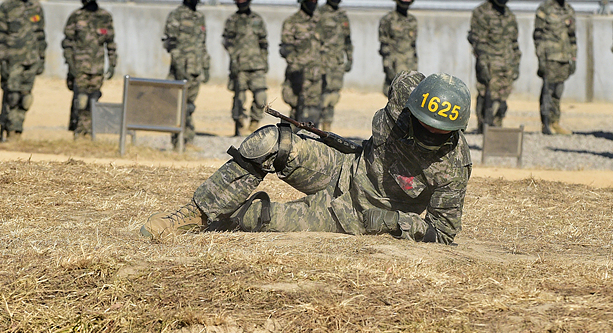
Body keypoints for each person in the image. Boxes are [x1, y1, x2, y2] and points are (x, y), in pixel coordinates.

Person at [140, 71, 472, 245]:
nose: (431, 132)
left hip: (351, 218)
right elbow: (410, 76)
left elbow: (442, 234)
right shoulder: (406, 96)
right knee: (271, 141)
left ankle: (233, 215)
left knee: (256, 219)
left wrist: (396, 223)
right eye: (424, 123)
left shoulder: (454, 168)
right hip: (342, 167)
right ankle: (189, 217)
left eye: (441, 130)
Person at [0, 0, 47, 141]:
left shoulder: (36, 7)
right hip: (12, 60)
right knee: (13, 95)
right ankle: (9, 129)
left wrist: (41, 59)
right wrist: (2, 60)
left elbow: (40, 35)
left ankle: (18, 130)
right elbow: (0, 36)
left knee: (25, 97)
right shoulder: (6, 7)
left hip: (31, 59)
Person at [61, 0, 117, 138]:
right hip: (80, 67)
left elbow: (111, 42)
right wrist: (70, 64)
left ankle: (90, 130)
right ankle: (79, 131)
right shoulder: (76, 17)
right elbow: (67, 43)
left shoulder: (105, 17)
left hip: (97, 67)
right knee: (81, 99)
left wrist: (112, 63)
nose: (82, 0)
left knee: (94, 98)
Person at [164, 0, 210, 146]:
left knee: (190, 105)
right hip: (180, 69)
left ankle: (187, 139)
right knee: (178, 105)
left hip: (195, 69)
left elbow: (203, 44)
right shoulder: (176, 15)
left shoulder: (200, 17)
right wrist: (179, 67)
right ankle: (179, 140)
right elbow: (170, 44)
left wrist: (206, 65)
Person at [468, 0, 520, 129]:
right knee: (486, 96)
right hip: (489, 63)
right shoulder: (481, 12)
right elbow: (478, 41)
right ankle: (483, 126)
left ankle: (497, 127)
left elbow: (514, 42)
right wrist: (483, 64)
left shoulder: (509, 15)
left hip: (506, 64)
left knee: (502, 98)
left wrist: (516, 63)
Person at [222, 0, 268, 136]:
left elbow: (263, 42)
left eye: (244, 0)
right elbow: (227, 41)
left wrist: (265, 60)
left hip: (257, 66)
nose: (241, 2)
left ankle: (254, 123)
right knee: (239, 98)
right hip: (240, 67)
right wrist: (235, 58)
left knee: (261, 97)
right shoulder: (232, 20)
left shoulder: (257, 19)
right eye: (239, 0)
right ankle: (239, 125)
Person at [534, 0, 577, 135]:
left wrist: (573, 58)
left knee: (558, 92)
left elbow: (572, 37)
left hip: (564, 58)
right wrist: (540, 59)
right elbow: (537, 35)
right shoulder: (544, 9)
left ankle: (555, 122)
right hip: (549, 57)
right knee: (547, 91)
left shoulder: (569, 10)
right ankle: (545, 123)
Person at [280, 0, 324, 124]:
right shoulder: (291, 22)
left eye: (315, 1)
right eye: (310, 2)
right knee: (295, 108)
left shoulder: (321, 21)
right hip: (298, 73)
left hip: (316, 73)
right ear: (302, 2)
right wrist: (294, 62)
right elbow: (286, 47)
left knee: (314, 109)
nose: (313, 4)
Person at [316, 0, 354, 131]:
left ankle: (327, 125)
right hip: (321, 61)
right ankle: (314, 124)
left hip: (337, 62)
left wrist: (349, 58)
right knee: (319, 93)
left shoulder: (342, 15)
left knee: (333, 95)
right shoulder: (318, 14)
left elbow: (347, 39)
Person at [378, 0, 418, 97]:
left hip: (409, 65)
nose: (405, 0)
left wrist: (415, 67)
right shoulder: (388, 19)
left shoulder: (413, 21)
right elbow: (384, 46)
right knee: (394, 96)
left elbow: (413, 46)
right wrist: (387, 67)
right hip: (395, 64)